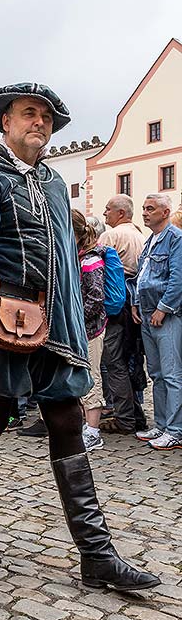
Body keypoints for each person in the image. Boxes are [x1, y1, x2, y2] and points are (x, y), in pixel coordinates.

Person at [0, 82, 160, 590]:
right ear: (4, 122)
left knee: (68, 420)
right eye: (29, 113)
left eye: (47, 118)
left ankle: (96, 555)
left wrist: (77, 325)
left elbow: (65, 265)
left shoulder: (55, 184)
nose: (40, 123)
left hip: (54, 329)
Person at [132, 193, 182, 450]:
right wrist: (135, 303)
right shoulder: (150, 240)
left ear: (165, 212)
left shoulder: (176, 239)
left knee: (173, 374)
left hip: (168, 314)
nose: (144, 212)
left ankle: (176, 430)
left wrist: (163, 308)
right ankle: (162, 425)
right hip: (148, 312)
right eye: (143, 208)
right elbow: (143, 275)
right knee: (157, 374)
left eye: (150, 208)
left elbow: (178, 279)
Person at [98, 195, 147, 434]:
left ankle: (126, 418)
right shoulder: (141, 236)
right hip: (135, 306)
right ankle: (135, 415)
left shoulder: (111, 236)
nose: (104, 213)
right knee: (129, 361)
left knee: (113, 362)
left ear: (120, 213)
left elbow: (99, 273)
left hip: (117, 306)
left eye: (108, 210)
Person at [72, 210, 108, 452]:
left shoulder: (90, 259)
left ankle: (93, 432)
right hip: (79, 329)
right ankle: (84, 426)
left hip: (90, 330)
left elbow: (96, 298)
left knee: (91, 377)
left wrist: (76, 320)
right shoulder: (76, 256)